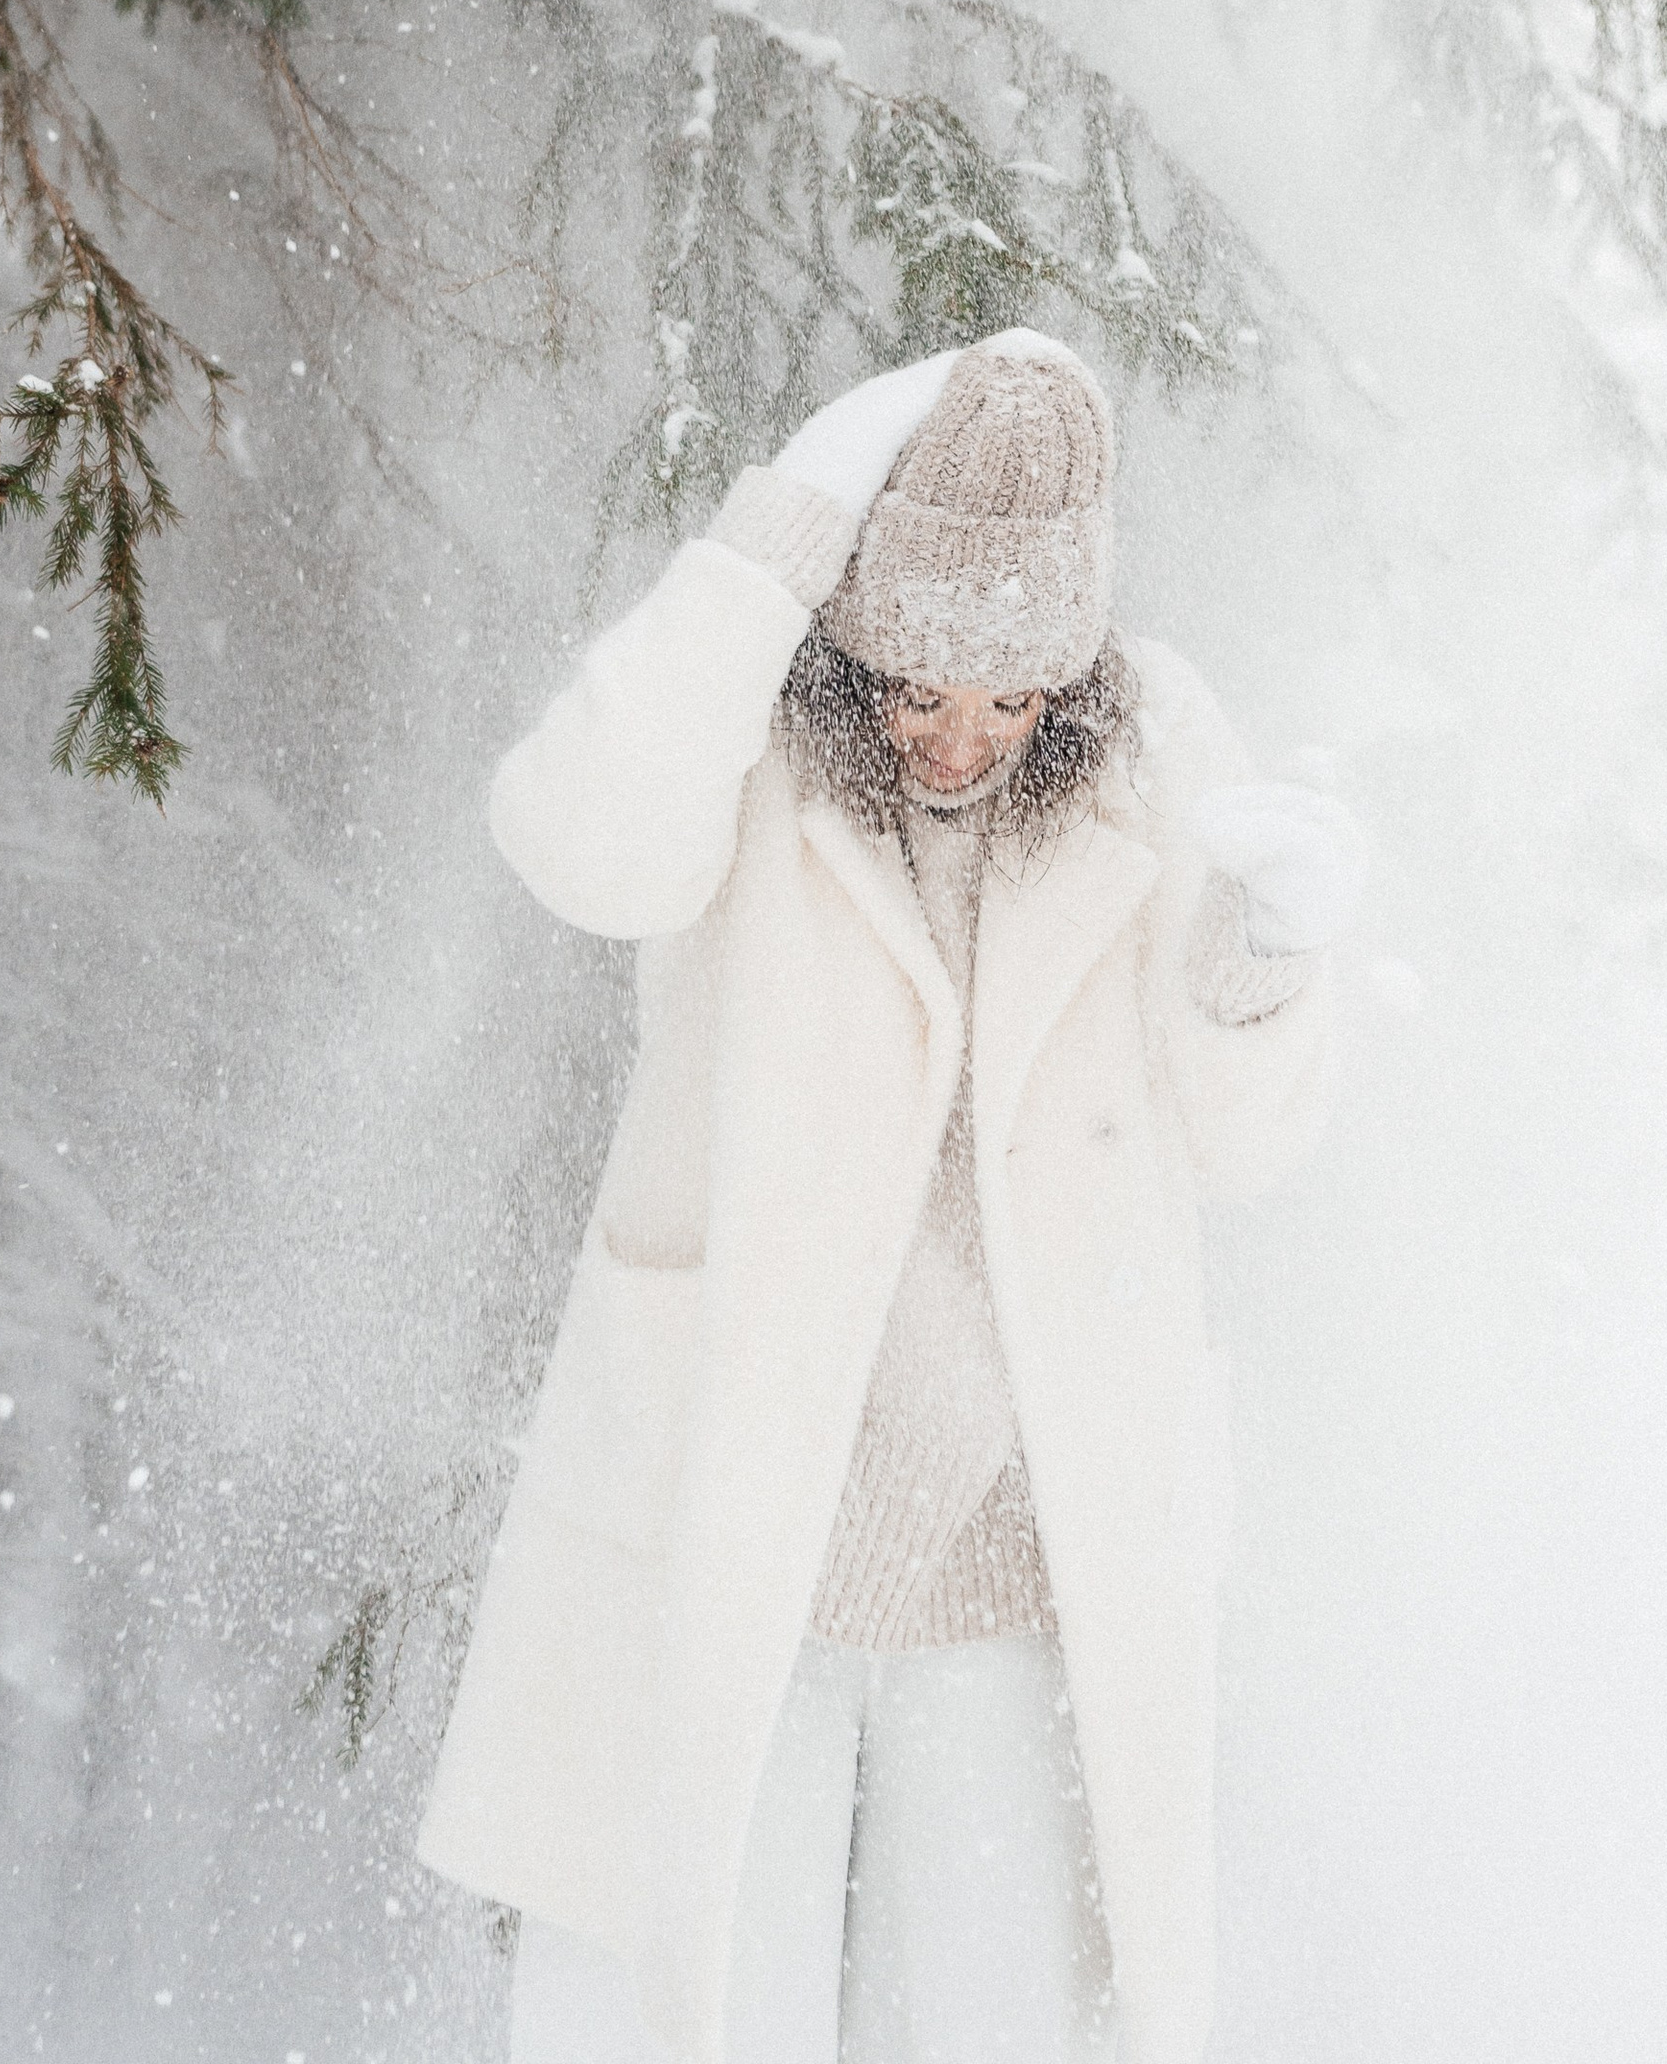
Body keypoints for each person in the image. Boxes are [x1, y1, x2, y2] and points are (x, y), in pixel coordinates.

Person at [418, 330, 1364, 2064]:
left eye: (1010, 698)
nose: (958, 741)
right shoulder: (759, 736)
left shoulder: (1155, 749)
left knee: (1003, 2015)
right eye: (920, 686)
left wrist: (1269, 958)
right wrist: (776, 538)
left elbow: (1245, 1143)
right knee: (672, 1999)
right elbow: (572, 837)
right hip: (739, 1488)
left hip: (1019, 1528)